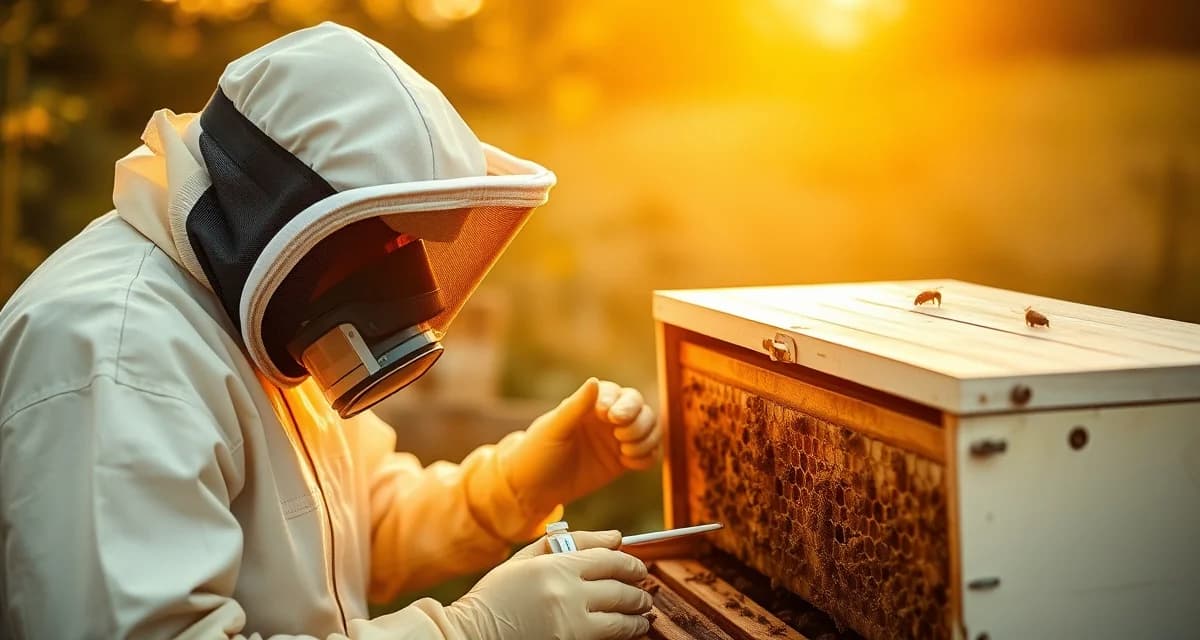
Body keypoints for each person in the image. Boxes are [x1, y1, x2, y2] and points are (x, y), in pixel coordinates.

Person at [0, 22, 662, 640]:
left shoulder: (261, 315)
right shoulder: (114, 358)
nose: (406, 276)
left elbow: (355, 524)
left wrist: (510, 486)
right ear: (278, 212)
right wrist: (468, 630)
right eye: (383, 238)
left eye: (409, 241)